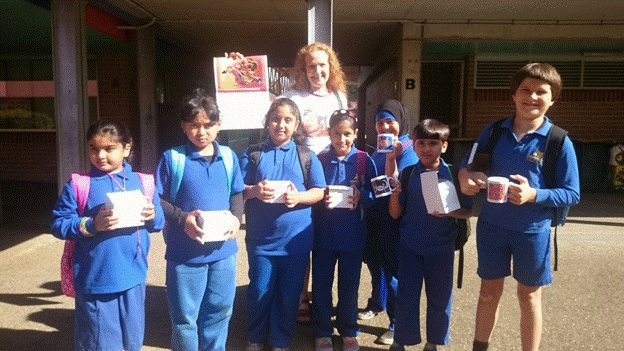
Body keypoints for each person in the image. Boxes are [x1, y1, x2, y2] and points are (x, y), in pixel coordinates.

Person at [457, 63, 580, 351]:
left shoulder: (558, 141)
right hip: (492, 227)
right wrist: (466, 177)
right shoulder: (494, 131)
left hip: (532, 231)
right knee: (488, 293)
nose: (532, 97)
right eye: (525, 90)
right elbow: (468, 166)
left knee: (529, 297)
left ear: (553, 99)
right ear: (513, 95)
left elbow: (571, 193)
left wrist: (533, 194)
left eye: (541, 92)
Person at [51, 119, 165, 351]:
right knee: (99, 343)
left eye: (109, 148)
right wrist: (92, 224)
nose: (100, 155)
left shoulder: (143, 182)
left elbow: (158, 224)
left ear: (126, 149)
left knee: (132, 342)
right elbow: (58, 223)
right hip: (96, 280)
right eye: (94, 148)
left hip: (133, 278)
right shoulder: (79, 185)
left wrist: (152, 215)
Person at [155, 89, 244, 351]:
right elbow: (156, 199)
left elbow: (237, 192)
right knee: (184, 320)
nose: (201, 132)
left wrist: (237, 220)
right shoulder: (173, 159)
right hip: (185, 255)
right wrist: (182, 219)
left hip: (223, 252)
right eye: (194, 125)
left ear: (219, 125)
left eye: (208, 125)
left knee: (219, 313)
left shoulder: (228, 157)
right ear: (183, 126)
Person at [240, 97, 326, 351]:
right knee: (259, 291)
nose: (281, 124)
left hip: (295, 242)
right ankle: (255, 337)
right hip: (261, 240)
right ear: (267, 123)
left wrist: (299, 197)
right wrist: (254, 190)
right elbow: (237, 190)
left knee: (289, 295)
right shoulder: (253, 154)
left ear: (296, 123)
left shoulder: (306, 156)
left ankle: (281, 340)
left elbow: (319, 191)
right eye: (276, 119)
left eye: (288, 120)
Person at [386, 119, 473, 351]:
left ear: (444, 146)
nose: (426, 148)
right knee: (407, 297)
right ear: (413, 145)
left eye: (433, 143)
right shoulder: (407, 173)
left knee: (440, 299)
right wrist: (394, 195)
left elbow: (468, 211)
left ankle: (433, 343)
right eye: (421, 143)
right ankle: (401, 340)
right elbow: (395, 214)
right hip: (410, 247)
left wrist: (451, 212)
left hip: (442, 249)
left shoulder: (454, 174)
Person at [311, 109, 377, 351]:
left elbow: (375, 194)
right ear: (329, 133)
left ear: (355, 134)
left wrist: (363, 195)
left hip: (353, 237)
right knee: (321, 285)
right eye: (336, 133)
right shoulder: (320, 160)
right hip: (323, 236)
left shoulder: (363, 160)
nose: (342, 139)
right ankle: (322, 331)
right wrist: (320, 198)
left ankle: (349, 331)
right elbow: (311, 193)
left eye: (347, 134)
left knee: (349, 285)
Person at [359, 99, 419, 345]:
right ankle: (377, 303)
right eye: (379, 122)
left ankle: (397, 324)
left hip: (396, 222)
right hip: (375, 220)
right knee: (376, 266)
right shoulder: (378, 148)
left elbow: (398, 187)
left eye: (390, 122)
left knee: (395, 274)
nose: (384, 127)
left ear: (401, 122)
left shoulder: (410, 149)